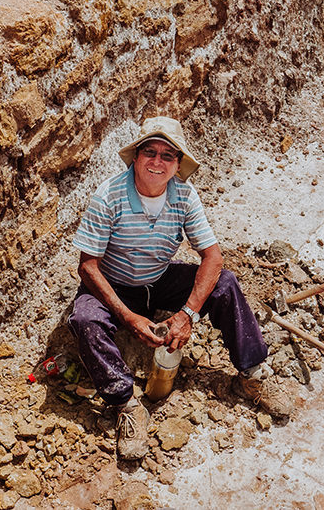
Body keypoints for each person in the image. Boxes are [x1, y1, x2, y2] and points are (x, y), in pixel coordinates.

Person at [68, 116, 292, 461]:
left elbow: (213, 257)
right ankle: (126, 404)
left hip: (158, 278)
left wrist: (186, 314)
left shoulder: (183, 196)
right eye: (150, 152)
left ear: (177, 164)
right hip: (115, 283)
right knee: (84, 319)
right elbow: (88, 266)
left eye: (168, 156)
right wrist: (128, 318)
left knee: (226, 283)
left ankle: (253, 372)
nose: (157, 162)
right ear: (136, 157)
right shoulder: (109, 196)